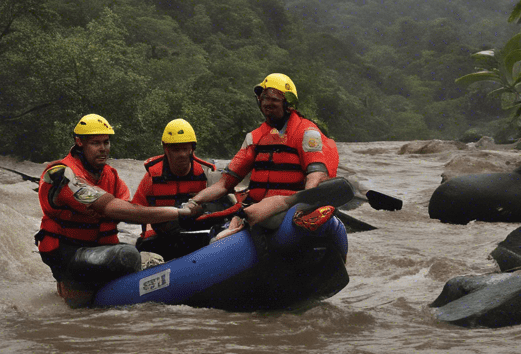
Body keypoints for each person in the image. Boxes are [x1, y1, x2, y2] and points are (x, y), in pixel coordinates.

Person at [35, 113, 194, 306]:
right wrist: (179, 211)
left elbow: (126, 208)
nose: (103, 149)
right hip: (68, 251)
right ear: (79, 142)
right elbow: (122, 211)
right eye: (95, 143)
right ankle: (72, 288)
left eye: (106, 142)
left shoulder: (112, 176)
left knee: (148, 252)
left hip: (99, 248)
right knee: (128, 255)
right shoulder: (62, 174)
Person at [186, 72, 339, 233]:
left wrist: (306, 205)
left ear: (288, 104)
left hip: (288, 209)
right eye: (264, 98)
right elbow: (224, 184)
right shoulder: (254, 138)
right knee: (213, 228)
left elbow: (316, 176)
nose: (267, 103)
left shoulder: (307, 132)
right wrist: (194, 202)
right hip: (255, 209)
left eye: (274, 99)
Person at [130, 118, 221, 260]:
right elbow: (136, 211)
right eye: (176, 149)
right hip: (162, 234)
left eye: (185, 149)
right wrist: (149, 231)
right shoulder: (152, 176)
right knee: (147, 243)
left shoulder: (206, 174)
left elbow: (220, 204)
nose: (182, 154)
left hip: (194, 231)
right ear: (166, 149)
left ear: (192, 149)